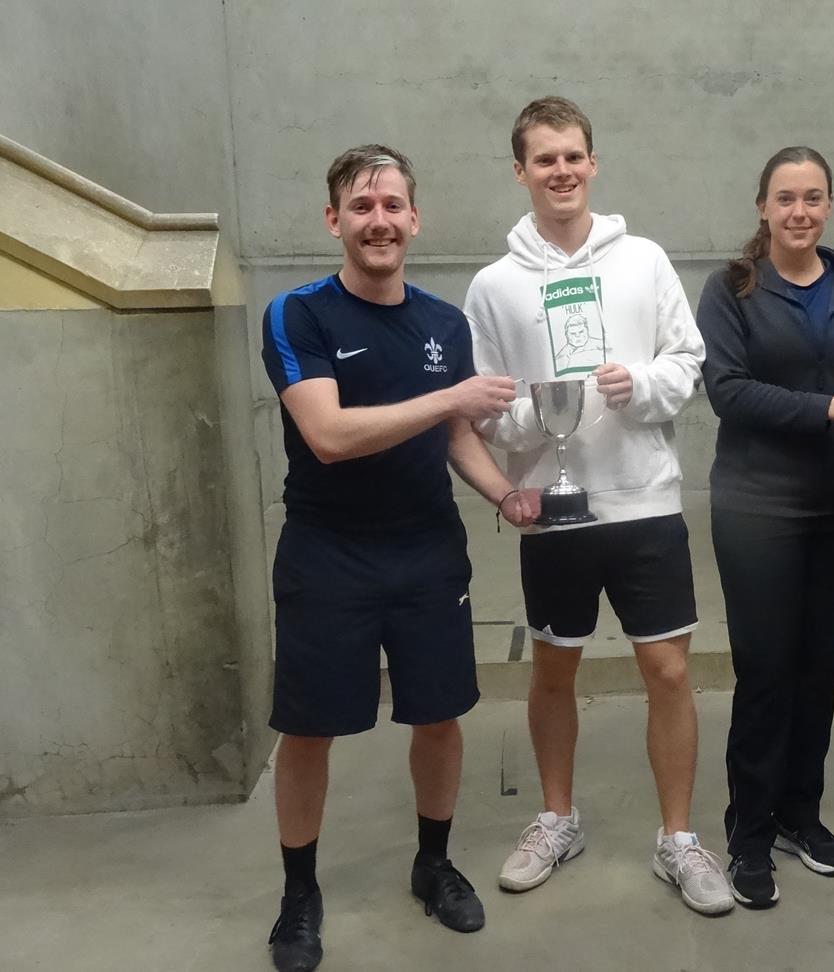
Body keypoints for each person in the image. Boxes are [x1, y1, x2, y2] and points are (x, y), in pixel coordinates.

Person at [260, 145, 536, 972]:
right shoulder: (297, 315)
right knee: (308, 731)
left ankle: (434, 863)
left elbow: (454, 435)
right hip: (327, 555)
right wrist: (454, 394)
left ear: (414, 218)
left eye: (392, 206)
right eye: (361, 206)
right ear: (334, 219)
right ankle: (299, 893)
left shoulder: (443, 324)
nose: (378, 221)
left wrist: (504, 495)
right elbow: (329, 435)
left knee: (438, 715)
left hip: (426, 556)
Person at [463, 97, 733, 916]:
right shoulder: (494, 285)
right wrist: (536, 416)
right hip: (553, 509)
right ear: (520, 171)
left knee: (669, 670)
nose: (561, 170)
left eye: (573, 155)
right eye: (543, 158)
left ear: (593, 162)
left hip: (644, 505)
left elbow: (689, 359)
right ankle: (556, 817)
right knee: (553, 670)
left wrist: (640, 385)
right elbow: (482, 406)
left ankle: (678, 838)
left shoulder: (643, 260)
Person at [695, 147, 834, 909]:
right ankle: (748, 833)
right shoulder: (731, 289)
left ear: (829, 206)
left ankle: (799, 815)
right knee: (767, 671)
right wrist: (826, 408)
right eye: (786, 198)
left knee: (820, 667)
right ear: (763, 207)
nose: (800, 212)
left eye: (814, 197)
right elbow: (727, 391)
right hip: (757, 506)